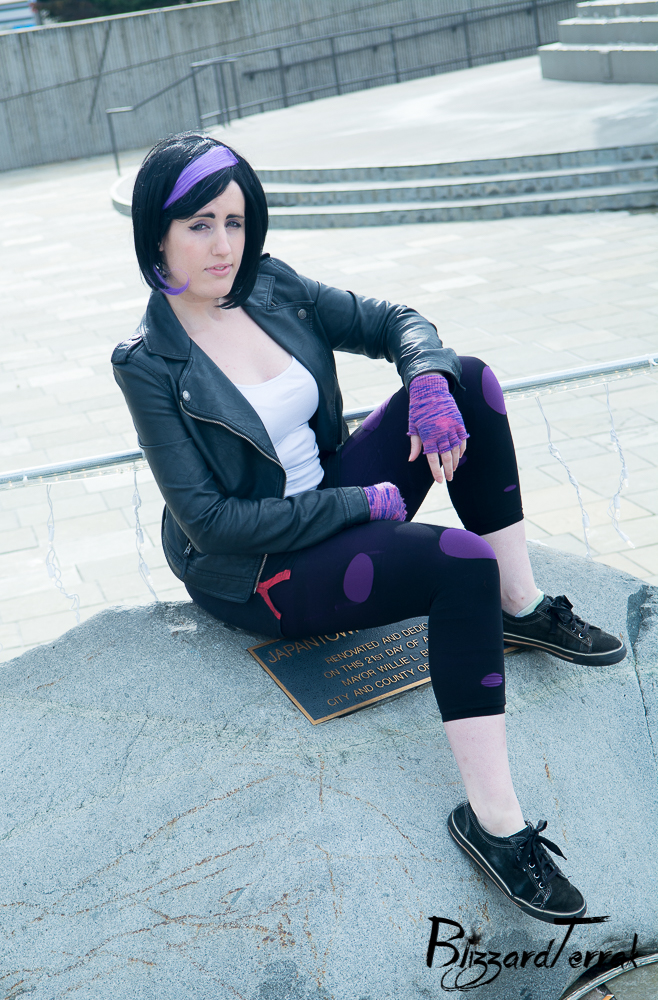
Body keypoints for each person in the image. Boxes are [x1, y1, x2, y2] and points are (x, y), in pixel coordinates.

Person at [112, 132, 626, 925]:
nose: (224, 246)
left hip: (335, 494)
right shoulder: (148, 362)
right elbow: (212, 524)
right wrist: (362, 505)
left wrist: (426, 380)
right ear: (158, 235)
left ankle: (520, 608)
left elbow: (397, 320)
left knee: (468, 380)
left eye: (235, 222)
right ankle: (495, 825)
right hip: (259, 567)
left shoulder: (272, 287)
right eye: (200, 225)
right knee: (460, 563)